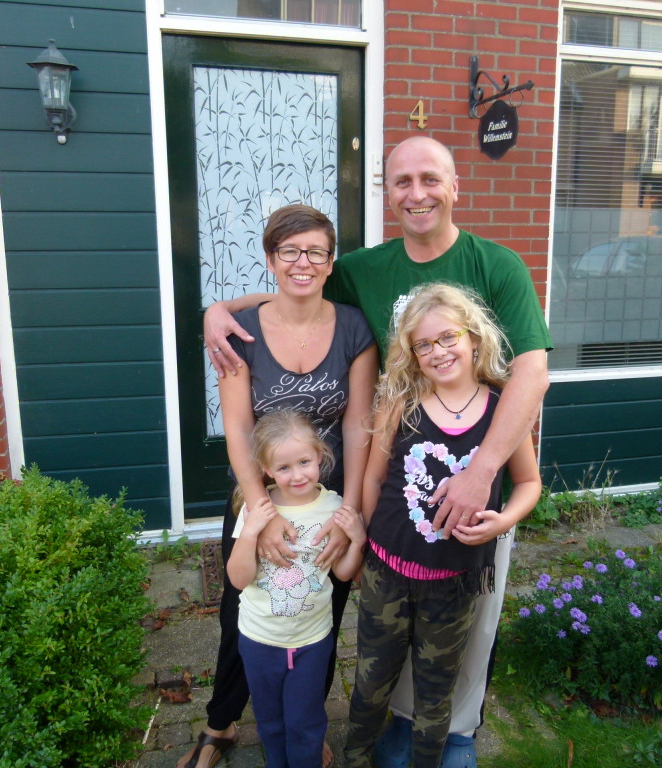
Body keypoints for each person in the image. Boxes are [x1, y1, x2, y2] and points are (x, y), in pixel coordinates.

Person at [203, 136, 552, 767]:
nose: (416, 193)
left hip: (473, 481)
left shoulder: (497, 264)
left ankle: (453, 736)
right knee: (358, 623)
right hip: (384, 493)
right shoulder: (364, 267)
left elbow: (532, 372)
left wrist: (484, 471)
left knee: (464, 628)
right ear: (387, 194)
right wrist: (218, 309)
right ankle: (293, 724)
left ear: (454, 186)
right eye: (401, 182)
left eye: (430, 179)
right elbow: (298, 287)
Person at [179, 204, 377, 768]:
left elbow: (359, 429)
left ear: (330, 260)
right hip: (257, 495)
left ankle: (305, 728)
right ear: (270, 259)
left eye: (315, 251)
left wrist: (353, 515)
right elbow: (239, 428)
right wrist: (262, 510)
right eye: (289, 251)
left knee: (322, 612)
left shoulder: (353, 328)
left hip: (326, 501)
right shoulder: (240, 334)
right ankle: (220, 727)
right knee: (240, 608)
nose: (302, 262)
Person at [344, 283, 543, 768]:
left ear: (474, 337)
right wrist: (367, 548)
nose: (438, 351)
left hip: (453, 583)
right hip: (386, 574)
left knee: (436, 694)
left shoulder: (502, 413)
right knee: (371, 681)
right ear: (412, 354)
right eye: (424, 344)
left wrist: (503, 523)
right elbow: (373, 478)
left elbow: (530, 483)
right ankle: (354, 756)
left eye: (448, 337)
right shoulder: (402, 403)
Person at [228, 410, 366, 768]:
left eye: (304, 461)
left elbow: (345, 573)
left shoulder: (334, 507)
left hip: (312, 641)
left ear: (320, 456)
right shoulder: (258, 509)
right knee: (270, 723)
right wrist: (250, 530)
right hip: (259, 639)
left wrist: (357, 541)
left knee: (306, 723)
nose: (297, 474)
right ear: (266, 469)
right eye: (284, 467)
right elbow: (238, 578)